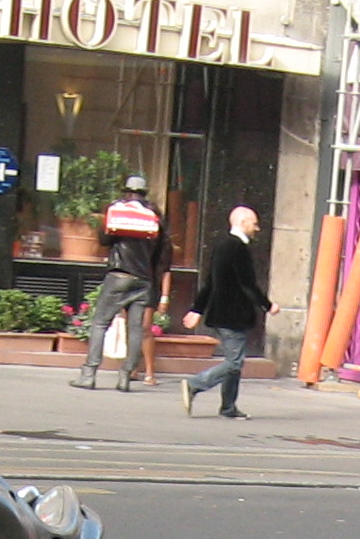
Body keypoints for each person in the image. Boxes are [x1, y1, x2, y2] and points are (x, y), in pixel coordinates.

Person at [69, 172, 167, 391]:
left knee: (100, 323)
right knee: (136, 329)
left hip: (119, 275)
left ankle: (88, 374)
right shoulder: (154, 216)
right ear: (144, 193)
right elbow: (161, 252)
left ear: (127, 192)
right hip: (144, 279)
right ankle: (125, 377)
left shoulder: (118, 211)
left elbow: (104, 239)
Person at [181, 206, 269, 420]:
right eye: (254, 224)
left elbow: (210, 282)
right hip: (233, 315)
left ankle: (228, 407)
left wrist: (197, 309)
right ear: (243, 223)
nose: (257, 228)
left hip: (223, 313)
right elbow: (248, 284)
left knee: (234, 362)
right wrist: (267, 305)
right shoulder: (238, 248)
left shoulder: (222, 246)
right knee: (234, 363)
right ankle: (195, 384)